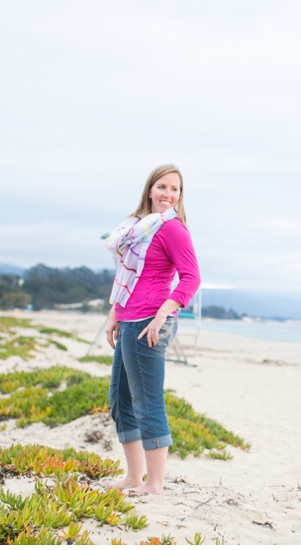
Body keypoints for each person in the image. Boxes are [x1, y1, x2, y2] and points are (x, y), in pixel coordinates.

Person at [103, 164, 200, 495]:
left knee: (147, 403)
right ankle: (133, 477)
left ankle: (155, 484)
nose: (168, 195)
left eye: (175, 190)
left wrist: (162, 315)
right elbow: (128, 278)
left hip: (150, 323)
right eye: (163, 187)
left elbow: (191, 278)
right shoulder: (137, 229)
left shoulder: (173, 230)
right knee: (120, 401)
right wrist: (116, 312)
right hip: (129, 319)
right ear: (150, 189)